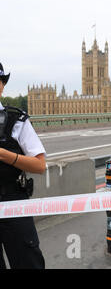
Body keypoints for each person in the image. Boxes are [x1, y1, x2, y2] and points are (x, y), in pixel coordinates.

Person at [0, 62, 46, 269]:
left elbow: (39, 165)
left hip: (13, 201)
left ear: (2, 85)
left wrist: (3, 154)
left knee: (28, 262)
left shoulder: (16, 120)